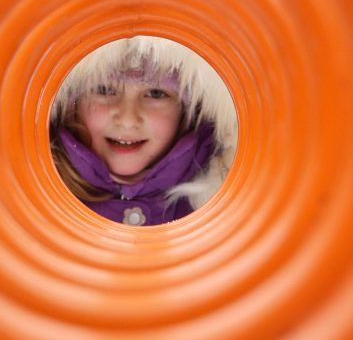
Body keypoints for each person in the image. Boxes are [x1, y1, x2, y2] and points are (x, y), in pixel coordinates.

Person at [0, 36, 237, 340]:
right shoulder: (20, 210)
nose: (128, 116)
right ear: (68, 102)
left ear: (191, 108)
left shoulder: (219, 211)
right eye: (104, 89)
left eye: (156, 93)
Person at [50, 35, 237, 225]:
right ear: (70, 106)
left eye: (155, 93)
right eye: (105, 90)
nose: (128, 120)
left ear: (186, 110)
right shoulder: (37, 208)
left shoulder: (228, 208)